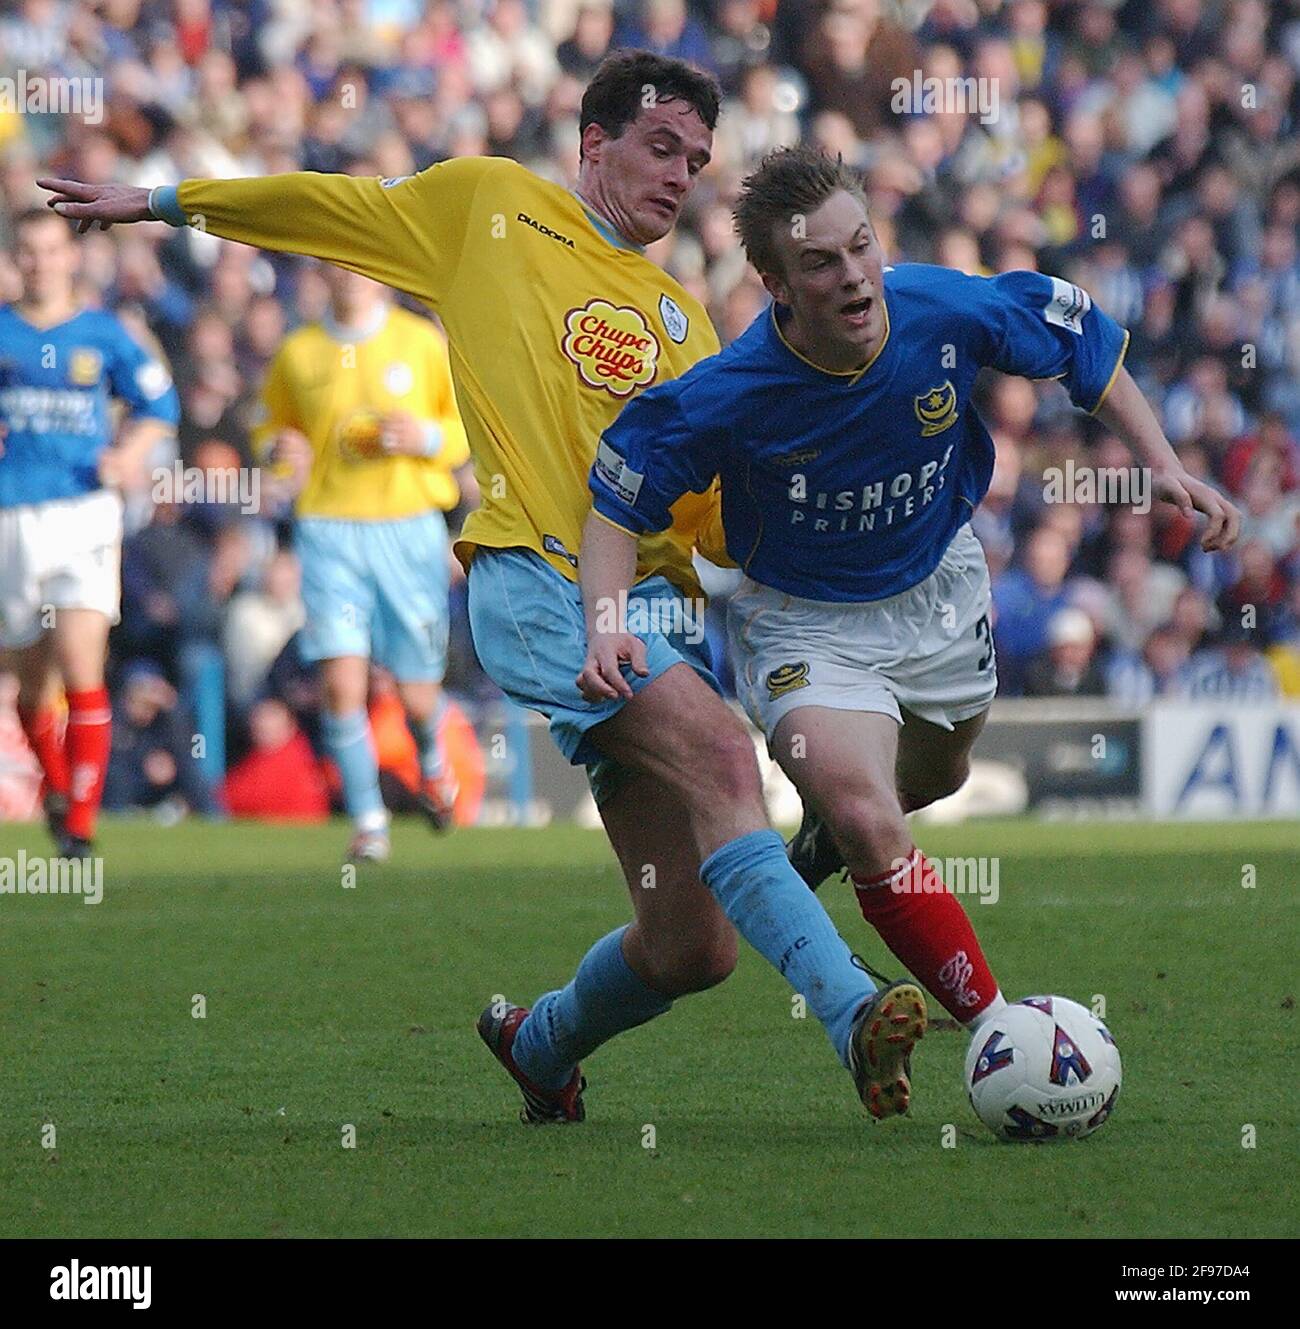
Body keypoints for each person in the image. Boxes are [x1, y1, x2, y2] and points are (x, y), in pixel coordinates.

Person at [38, 54, 919, 1125]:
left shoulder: (685, 324)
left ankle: (538, 1044)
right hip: (533, 579)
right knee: (724, 755)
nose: (679, 173)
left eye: (694, 158)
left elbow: (709, 522)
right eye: (658, 147)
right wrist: (168, 201)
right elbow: (333, 208)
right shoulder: (490, 204)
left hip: (651, 612)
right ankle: (850, 1008)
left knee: (691, 947)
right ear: (592, 141)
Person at [580, 146, 1241, 1036]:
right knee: (867, 814)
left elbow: (1081, 341)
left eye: (862, 247)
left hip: (938, 590)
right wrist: (606, 625)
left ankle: (833, 842)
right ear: (775, 282)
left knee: (937, 774)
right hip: (803, 624)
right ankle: (1001, 1030)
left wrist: (1162, 464)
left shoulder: (943, 307)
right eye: (821, 262)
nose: (854, 276)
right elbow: (618, 495)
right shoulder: (730, 392)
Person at [255, 261, 471, 864]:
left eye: (361, 261)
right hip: (328, 529)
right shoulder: (299, 351)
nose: (350, 273)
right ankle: (369, 822)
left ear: (380, 271)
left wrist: (422, 439)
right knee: (340, 683)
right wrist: (277, 451)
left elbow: (463, 430)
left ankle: (432, 762)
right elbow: (270, 429)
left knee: (417, 695)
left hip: (408, 530)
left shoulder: (420, 341)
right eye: (337, 262)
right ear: (323, 271)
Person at [0, 208, 179, 857]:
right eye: (27, 251)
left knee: (82, 663)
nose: (40, 262)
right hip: (13, 517)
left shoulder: (104, 333)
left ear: (71, 257)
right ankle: (55, 784)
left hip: (84, 515)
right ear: (15, 259)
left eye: (50, 250)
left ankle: (79, 823)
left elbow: (161, 404)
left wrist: (131, 454)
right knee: (28, 684)